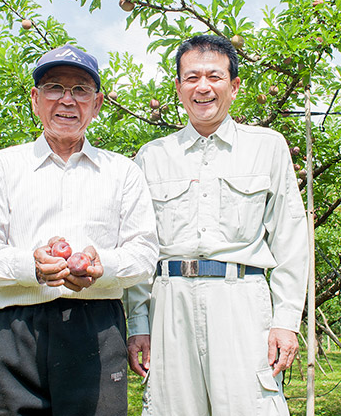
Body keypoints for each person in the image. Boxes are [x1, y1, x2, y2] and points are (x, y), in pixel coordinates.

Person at [0, 44, 159, 416]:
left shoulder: (123, 173)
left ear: (98, 104)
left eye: (80, 90)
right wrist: (30, 265)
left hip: (96, 328)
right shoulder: (1, 168)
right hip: (16, 328)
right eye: (55, 88)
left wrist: (104, 265)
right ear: (36, 100)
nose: (67, 101)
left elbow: (144, 252)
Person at [125, 34, 309, 415]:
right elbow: (140, 251)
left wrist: (287, 321)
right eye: (191, 78)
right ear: (177, 88)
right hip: (169, 303)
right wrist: (137, 323)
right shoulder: (152, 157)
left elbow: (292, 240)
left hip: (242, 299)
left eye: (214, 76)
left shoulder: (268, 147)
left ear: (235, 86)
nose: (203, 87)